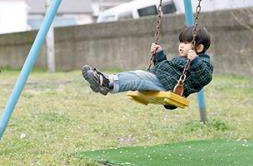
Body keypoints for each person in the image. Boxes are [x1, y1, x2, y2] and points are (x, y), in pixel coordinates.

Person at [82, 26, 214, 107]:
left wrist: (196, 61)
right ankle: (106, 81)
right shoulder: (183, 60)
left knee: (139, 78)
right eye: (180, 42)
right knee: (137, 75)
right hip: (161, 80)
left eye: (186, 43)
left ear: (199, 47)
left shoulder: (202, 64)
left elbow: (204, 78)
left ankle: (107, 83)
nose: (181, 45)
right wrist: (159, 54)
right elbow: (165, 69)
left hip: (170, 88)